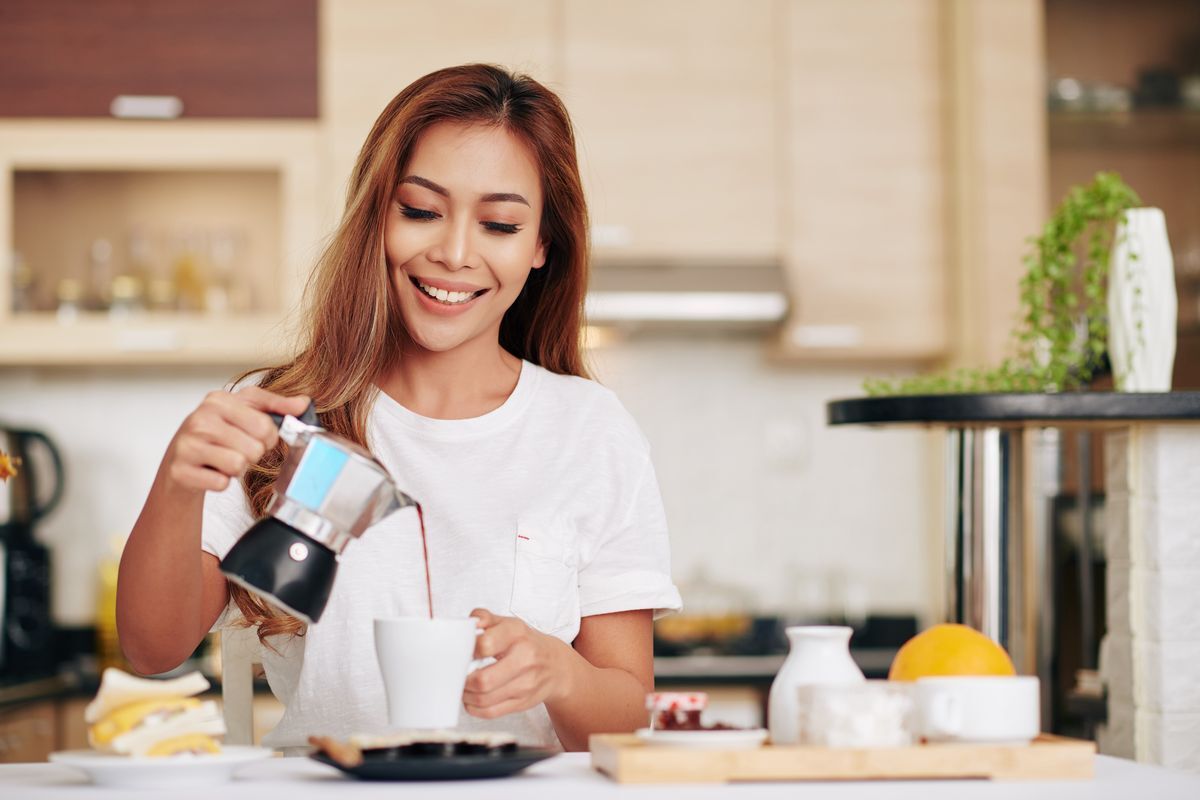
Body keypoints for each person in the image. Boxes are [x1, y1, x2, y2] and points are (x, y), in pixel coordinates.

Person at [116, 64, 681, 753]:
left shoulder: (589, 431)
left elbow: (630, 711)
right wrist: (179, 485)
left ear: (541, 246)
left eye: (499, 224)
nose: (453, 253)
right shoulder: (289, 419)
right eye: (419, 211)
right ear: (376, 215)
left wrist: (560, 673)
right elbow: (151, 649)